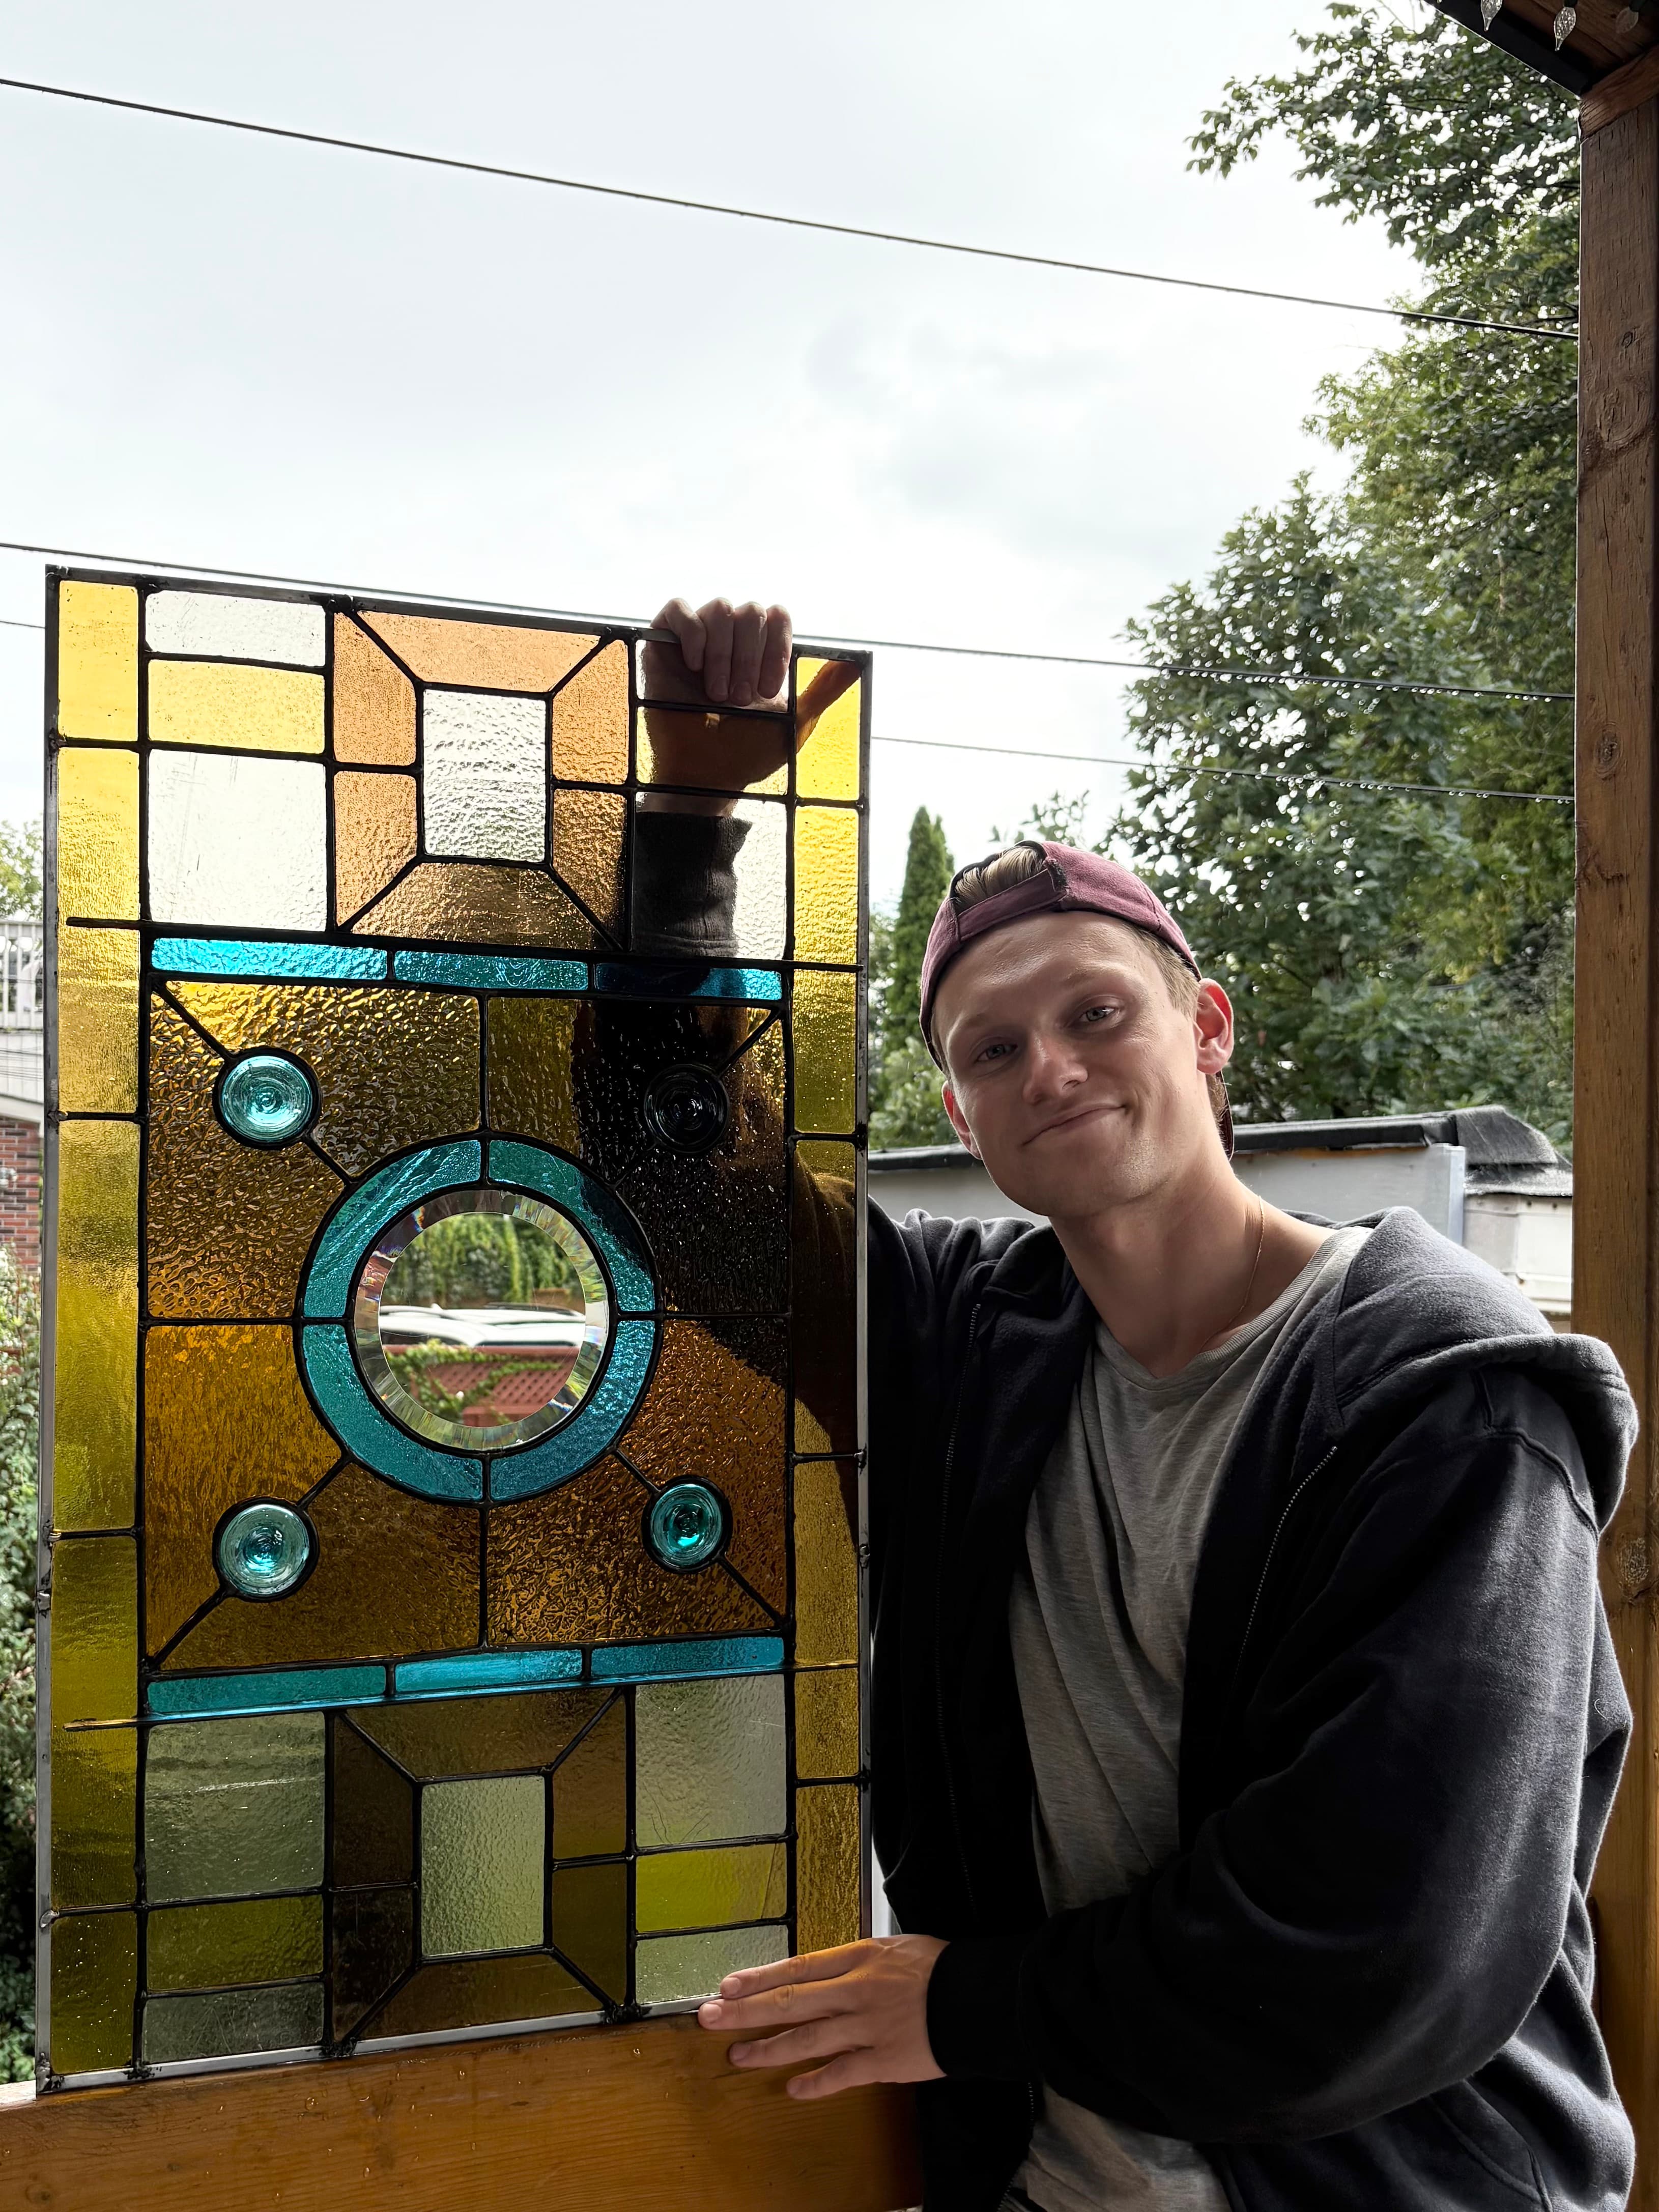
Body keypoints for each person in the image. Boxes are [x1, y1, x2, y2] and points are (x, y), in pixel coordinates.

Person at [639, 594, 1637, 2211]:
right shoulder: (959, 1339)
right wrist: (690, 812)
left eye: (1094, 1011)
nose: (1050, 1064)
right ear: (957, 1106)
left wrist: (959, 2004)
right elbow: (675, 1176)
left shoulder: (1437, 1392)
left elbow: (1375, 1949)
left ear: (1207, 1027)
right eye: (993, 1045)